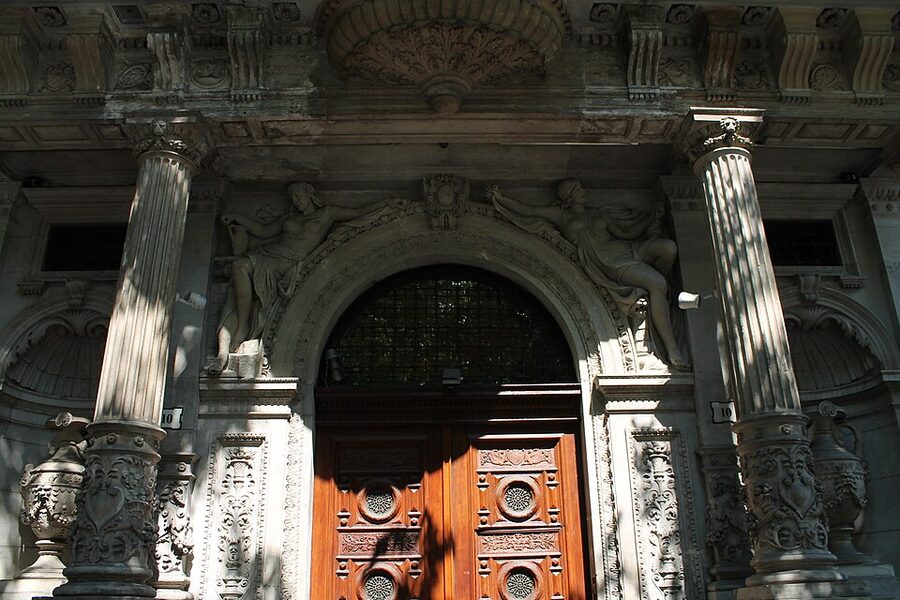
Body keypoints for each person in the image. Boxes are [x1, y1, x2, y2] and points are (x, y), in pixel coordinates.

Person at [210, 182, 406, 374]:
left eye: (298, 196)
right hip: (269, 255)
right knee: (238, 266)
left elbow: (358, 212)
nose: (295, 201)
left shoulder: (326, 213)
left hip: (289, 263)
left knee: (240, 267)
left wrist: (386, 203)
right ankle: (242, 325)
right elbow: (263, 231)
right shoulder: (289, 217)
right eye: (292, 198)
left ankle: (241, 330)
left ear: (309, 193)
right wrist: (237, 217)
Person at [489, 179, 688, 369]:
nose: (583, 192)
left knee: (668, 248)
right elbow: (529, 210)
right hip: (609, 262)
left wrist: (652, 218)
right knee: (657, 283)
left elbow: (626, 233)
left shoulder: (597, 213)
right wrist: (501, 198)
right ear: (568, 196)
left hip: (626, 249)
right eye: (578, 190)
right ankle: (672, 348)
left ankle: (661, 301)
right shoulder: (561, 215)